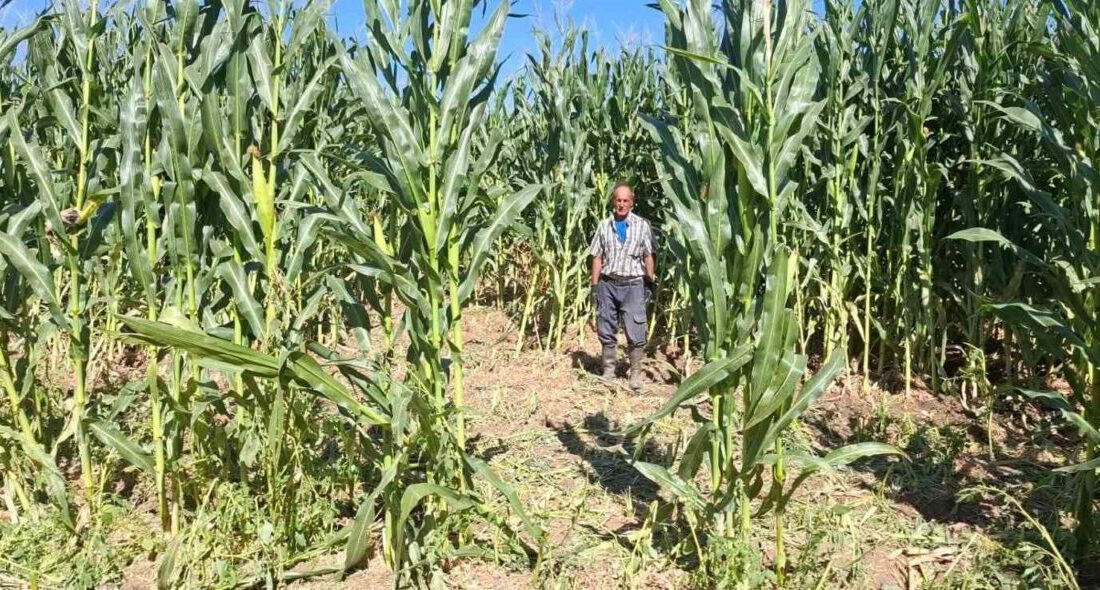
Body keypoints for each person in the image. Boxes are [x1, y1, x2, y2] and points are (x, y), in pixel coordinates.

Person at [587, 181, 656, 392]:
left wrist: (650, 280)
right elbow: (597, 256)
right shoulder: (604, 226)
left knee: (636, 330)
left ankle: (635, 374)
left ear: (632, 202)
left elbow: (649, 255)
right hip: (608, 283)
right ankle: (608, 370)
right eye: (618, 200)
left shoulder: (642, 226)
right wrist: (595, 285)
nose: (622, 204)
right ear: (613, 201)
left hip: (633, 284)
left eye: (626, 200)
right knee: (606, 326)